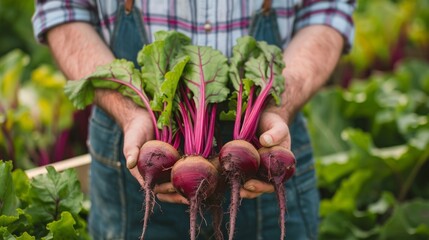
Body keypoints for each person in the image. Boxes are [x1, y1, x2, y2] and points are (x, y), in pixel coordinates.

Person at [32, 0, 355, 239]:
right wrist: (130, 113)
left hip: (264, 149)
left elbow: (327, 10)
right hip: (140, 145)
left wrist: (279, 105)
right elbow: (63, 10)